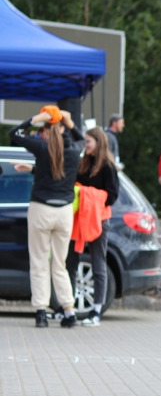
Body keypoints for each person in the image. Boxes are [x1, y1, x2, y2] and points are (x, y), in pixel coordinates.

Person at [8, 106, 84, 328]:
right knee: (60, 263)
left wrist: (34, 119)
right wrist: (70, 123)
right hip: (64, 213)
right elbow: (81, 139)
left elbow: (14, 134)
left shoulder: (41, 148)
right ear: (62, 128)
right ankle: (69, 312)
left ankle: (41, 312)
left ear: (48, 129)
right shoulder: (74, 150)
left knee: (39, 261)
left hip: (41, 209)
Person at [65, 128, 120, 327]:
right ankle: (68, 307)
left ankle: (96, 310)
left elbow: (112, 196)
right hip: (79, 219)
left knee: (98, 262)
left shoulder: (107, 167)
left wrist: (87, 194)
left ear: (98, 142)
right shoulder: (83, 163)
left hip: (98, 220)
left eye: (88, 141)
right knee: (71, 262)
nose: (85, 145)